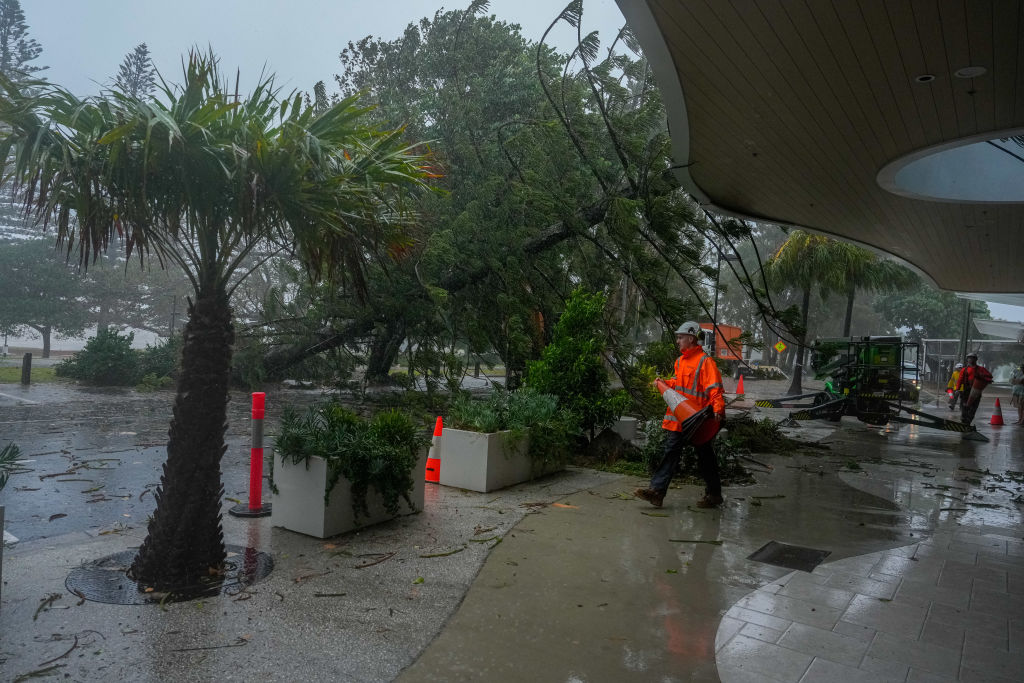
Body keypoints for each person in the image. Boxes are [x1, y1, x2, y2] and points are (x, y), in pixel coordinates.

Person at [634, 321, 726, 509]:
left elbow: (714, 388)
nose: (677, 341)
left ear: (691, 339)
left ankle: (714, 494)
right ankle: (657, 492)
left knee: (705, 458)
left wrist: (718, 409)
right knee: (671, 452)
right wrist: (665, 383)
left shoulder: (704, 362)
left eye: (680, 337)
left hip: (699, 422)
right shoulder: (680, 361)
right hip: (681, 420)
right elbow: (678, 383)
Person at [956, 353, 992, 425]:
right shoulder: (964, 370)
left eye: (972, 358)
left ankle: (968, 422)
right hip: (966, 391)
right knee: (965, 407)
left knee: (973, 408)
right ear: (967, 359)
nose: (971, 359)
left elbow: (989, 376)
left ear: (976, 359)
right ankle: (964, 421)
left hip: (976, 392)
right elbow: (960, 380)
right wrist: (957, 389)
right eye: (969, 358)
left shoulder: (981, 369)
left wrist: (983, 377)